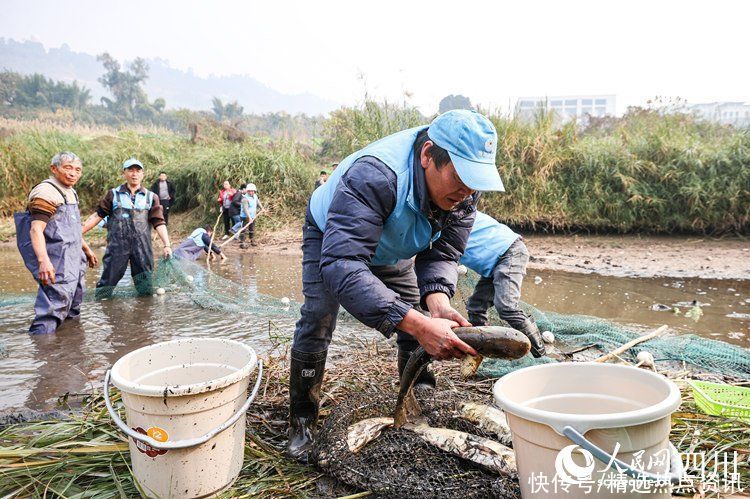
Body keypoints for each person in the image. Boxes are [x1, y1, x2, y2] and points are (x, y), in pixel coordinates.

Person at [286, 110, 505, 461]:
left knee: (417, 315)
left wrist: (437, 300)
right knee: (318, 317)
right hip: (333, 238)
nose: (468, 192)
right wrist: (419, 324)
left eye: (476, 181)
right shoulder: (375, 176)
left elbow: (445, 250)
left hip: (395, 245)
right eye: (461, 176)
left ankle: (417, 398)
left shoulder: (465, 194)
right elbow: (343, 265)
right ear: (427, 155)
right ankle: (301, 419)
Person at [14, 152, 98, 334]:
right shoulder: (46, 191)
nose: (72, 173)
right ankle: (45, 350)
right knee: (53, 307)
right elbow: (35, 229)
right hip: (55, 259)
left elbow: (72, 228)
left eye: (77, 170)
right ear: (54, 169)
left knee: (73, 304)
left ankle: (69, 343)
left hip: (74, 258)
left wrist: (87, 249)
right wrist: (44, 261)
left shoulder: (70, 191)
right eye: (67, 168)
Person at [82, 158, 172, 297]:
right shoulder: (113, 194)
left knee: (145, 285)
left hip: (142, 248)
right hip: (117, 247)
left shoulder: (151, 197)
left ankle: (144, 315)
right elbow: (97, 216)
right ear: (124, 173)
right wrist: (78, 233)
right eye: (130, 170)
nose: (134, 174)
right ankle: (104, 308)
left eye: (138, 170)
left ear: (143, 174)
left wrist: (167, 245)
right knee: (107, 283)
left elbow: (159, 223)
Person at [460, 211, 546, 357]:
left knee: (506, 307)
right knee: (476, 306)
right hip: (494, 262)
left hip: (509, 253)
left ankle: (541, 354)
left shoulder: (456, 215)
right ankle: (483, 350)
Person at [236, 183, 264, 248]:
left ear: (254, 191)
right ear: (247, 191)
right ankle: (243, 242)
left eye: (252, 191)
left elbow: (257, 202)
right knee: (244, 229)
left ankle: (252, 240)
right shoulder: (244, 199)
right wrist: (249, 217)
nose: (251, 192)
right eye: (250, 191)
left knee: (252, 228)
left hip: (253, 215)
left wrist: (262, 208)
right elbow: (245, 209)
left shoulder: (255, 196)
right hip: (245, 217)